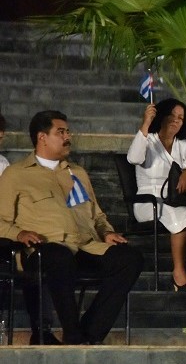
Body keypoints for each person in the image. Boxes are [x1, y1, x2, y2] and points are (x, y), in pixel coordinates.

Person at [0, 110, 143, 344]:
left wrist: (106, 232)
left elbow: (97, 214)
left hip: (85, 245)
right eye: (61, 132)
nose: (68, 136)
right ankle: (73, 334)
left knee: (130, 258)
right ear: (42, 137)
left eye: (68, 131)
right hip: (43, 249)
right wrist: (19, 233)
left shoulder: (77, 172)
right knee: (60, 256)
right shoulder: (16, 175)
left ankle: (89, 334)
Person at [127, 98, 186, 291]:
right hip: (149, 202)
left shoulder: (184, 142)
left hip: (179, 199)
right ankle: (179, 273)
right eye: (172, 115)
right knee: (180, 214)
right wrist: (146, 124)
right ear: (161, 116)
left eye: (180, 117)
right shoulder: (148, 140)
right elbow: (133, 158)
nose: (176, 120)